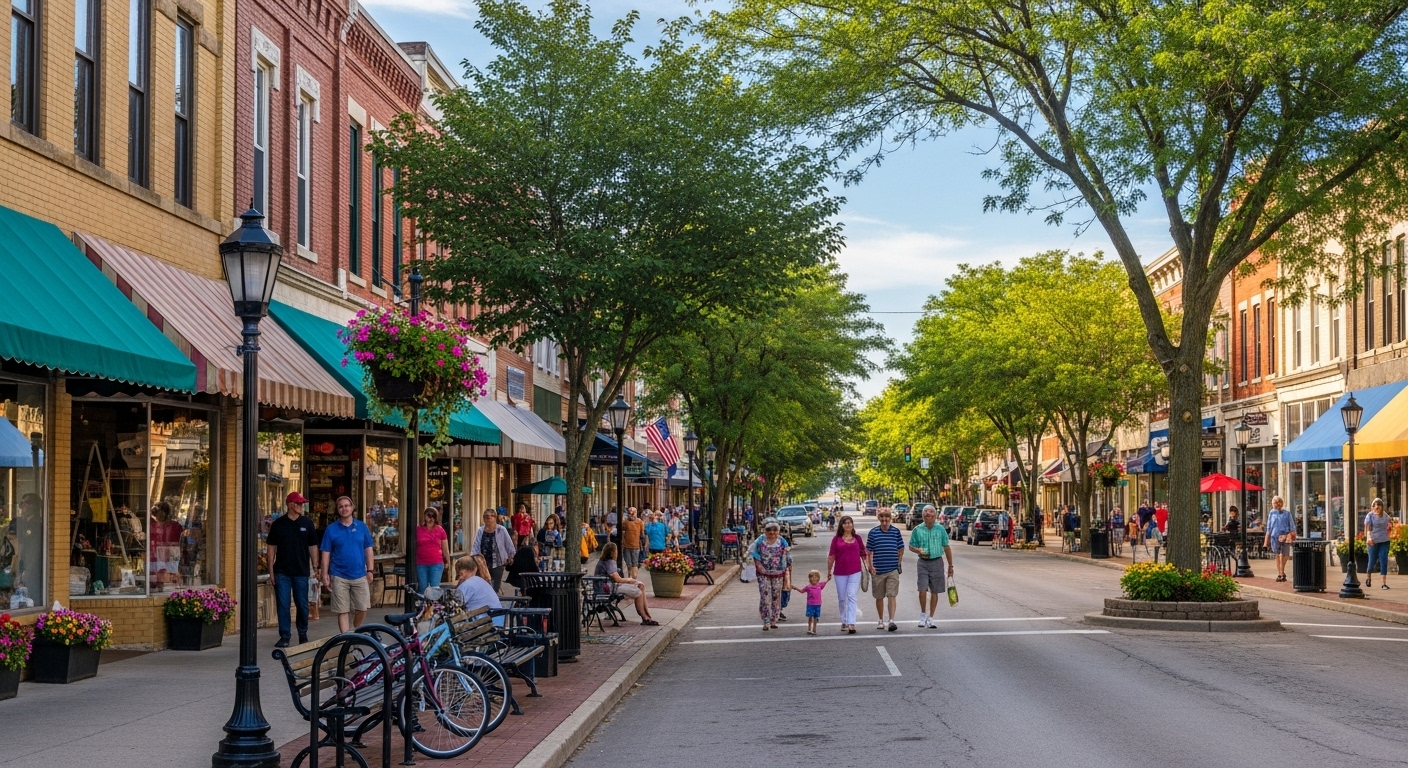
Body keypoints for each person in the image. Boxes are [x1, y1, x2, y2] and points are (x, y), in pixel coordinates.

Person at [266, 491, 318, 647]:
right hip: (282, 571)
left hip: (301, 572)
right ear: (290, 505)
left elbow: (313, 546)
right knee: (283, 604)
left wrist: (316, 567)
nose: (302, 506)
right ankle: (285, 636)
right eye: (299, 503)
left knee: (302, 604)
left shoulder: (307, 523)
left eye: (302, 504)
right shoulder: (278, 524)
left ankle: (303, 633)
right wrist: (271, 571)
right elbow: (271, 548)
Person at [318, 496, 375, 632]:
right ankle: (347, 640)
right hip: (339, 575)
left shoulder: (361, 527)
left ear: (352, 507)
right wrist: (325, 573)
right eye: (341, 506)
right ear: (338, 510)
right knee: (342, 610)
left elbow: (369, 549)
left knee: (362, 607)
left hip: (360, 574)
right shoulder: (331, 529)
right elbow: (326, 552)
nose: (344, 508)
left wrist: (370, 570)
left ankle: (355, 629)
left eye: (347, 505)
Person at [908, 506, 954, 628]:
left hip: (937, 562)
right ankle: (923, 614)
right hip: (923, 562)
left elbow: (946, 547)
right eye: (925, 512)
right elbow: (911, 546)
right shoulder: (917, 530)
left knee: (935, 590)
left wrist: (950, 565)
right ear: (922, 515)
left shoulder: (940, 529)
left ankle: (931, 618)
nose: (928, 514)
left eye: (931, 512)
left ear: (935, 515)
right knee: (922, 589)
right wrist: (919, 550)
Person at [595, 542, 658, 625]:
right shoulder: (610, 562)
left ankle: (646, 616)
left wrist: (631, 581)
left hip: (608, 587)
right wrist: (630, 580)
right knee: (638, 589)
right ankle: (645, 617)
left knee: (641, 585)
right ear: (613, 552)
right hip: (609, 588)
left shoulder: (604, 561)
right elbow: (617, 579)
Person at [866, 508, 905, 632]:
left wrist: (898, 563)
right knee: (879, 596)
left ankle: (891, 621)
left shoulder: (895, 532)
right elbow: (868, 551)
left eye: (886, 518)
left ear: (890, 518)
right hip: (878, 570)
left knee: (891, 594)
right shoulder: (873, 533)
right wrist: (870, 566)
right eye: (882, 518)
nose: (884, 520)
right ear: (879, 519)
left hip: (892, 569)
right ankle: (881, 620)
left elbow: (901, 548)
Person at [827, 515, 867, 634]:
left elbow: (863, 553)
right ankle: (844, 620)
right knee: (841, 598)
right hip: (840, 572)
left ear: (852, 525)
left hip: (855, 571)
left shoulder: (857, 538)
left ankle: (851, 623)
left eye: (850, 522)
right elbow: (831, 556)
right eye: (845, 523)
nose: (848, 525)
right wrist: (829, 571)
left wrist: (868, 566)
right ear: (842, 525)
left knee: (851, 596)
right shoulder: (836, 539)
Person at [751, 520, 791, 631]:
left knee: (775, 596)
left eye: (775, 530)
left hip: (778, 573)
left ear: (778, 531)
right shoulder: (760, 541)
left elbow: (787, 555)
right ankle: (766, 620)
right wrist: (759, 566)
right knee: (765, 595)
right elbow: (754, 554)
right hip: (763, 573)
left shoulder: (782, 541)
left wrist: (788, 567)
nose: (772, 532)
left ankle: (774, 618)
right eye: (769, 530)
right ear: (765, 530)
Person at [470, 508, 515, 593]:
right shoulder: (480, 530)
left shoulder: (501, 530)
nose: (489, 518)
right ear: (483, 518)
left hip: (497, 563)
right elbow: (475, 546)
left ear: (495, 518)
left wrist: (511, 556)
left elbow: (509, 545)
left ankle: (494, 604)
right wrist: (474, 558)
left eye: (491, 516)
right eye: (486, 516)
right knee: (483, 587)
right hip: (483, 564)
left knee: (495, 588)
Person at [454, 555, 503, 625]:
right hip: (496, 619)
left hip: (486, 622)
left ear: (462, 572)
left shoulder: (468, 584)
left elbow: (455, 602)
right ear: (475, 569)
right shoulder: (478, 580)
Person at [415, 507, 451, 591]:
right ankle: (423, 604)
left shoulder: (440, 530)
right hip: (421, 563)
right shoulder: (418, 530)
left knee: (434, 589)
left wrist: (448, 562)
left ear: (436, 518)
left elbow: (445, 548)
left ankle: (433, 604)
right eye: (428, 515)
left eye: (433, 516)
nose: (430, 518)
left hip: (436, 563)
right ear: (424, 516)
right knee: (422, 588)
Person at [1365, 498, 1395, 589]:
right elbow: (1367, 529)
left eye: (1379, 506)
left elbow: (1389, 525)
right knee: (1372, 562)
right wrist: (1369, 538)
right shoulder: (1369, 516)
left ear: (1382, 507)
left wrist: (1390, 527)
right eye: (1375, 506)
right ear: (1372, 507)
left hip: (1384, 541)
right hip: (1373, 542)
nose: (1377, 508)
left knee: (1383, 559)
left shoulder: (1386, 516)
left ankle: (1384, 583)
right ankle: (1368, 577)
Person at [1264, 495, 1296, 582]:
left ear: (1281, 503)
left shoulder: (1287, 513)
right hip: (1274, 536)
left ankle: (1281, 571)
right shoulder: (1272, 513)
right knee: (1278, 555)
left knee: (1285, 555)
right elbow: (1269, 527)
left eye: (1278, 503)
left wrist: (1291, 534)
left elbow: (1292, 526)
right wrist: (1266, 541)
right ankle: (1280, 574)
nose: (1276, 505)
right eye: (1274, 503)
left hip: (1285, 536)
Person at [793, 569, 830, 635]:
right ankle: (809, 629)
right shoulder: (808, 587)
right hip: (810, 604)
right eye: (812, 579)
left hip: (817, 604)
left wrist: (828, 578)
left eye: (816, 579)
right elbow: (802, 591)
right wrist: (795, 588)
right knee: (810, 616)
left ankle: (814, 629)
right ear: (810, 579)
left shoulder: (820, 585)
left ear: (818, 579)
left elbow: (826, 582)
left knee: (815, 617)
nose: (814, 581)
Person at [620, 507, 645, 579]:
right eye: (629, 514)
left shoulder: (640, 522)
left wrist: (643, 544)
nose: (631, 515)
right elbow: (622, 531)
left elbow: (642, 534)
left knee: (634, 564)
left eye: (632, 513)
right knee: (629, 564)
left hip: (636, 546)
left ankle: (634, 578)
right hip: (627, 546)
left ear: (636, 513)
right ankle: (630, 577)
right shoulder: (625, 522)